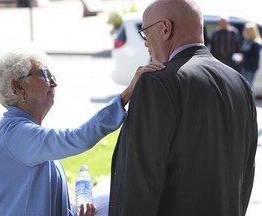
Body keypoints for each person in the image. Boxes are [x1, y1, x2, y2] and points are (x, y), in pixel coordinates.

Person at [109, 0, 258, 216]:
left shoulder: (157, 82)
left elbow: (141, 181)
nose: (146, 43)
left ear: (165, 28)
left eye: (145, 34)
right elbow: (246, 174)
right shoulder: (239, 82)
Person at [0, 46, 165, 216]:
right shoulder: (15, 134)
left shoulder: (21, 132)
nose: (54, 83)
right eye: (45, 75)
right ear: (18, 87)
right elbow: (78, 138)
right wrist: (126, 95)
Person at [240, 22, 262, 87]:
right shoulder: (245, 41)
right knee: (243, 84)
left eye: (248, 31)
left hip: (251, 67)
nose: (246, 32)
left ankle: (249, 97)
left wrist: (244, 58)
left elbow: (255, 55)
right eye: (246, 30)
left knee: (249, 84)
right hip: (244, 65)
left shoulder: (256, 42)